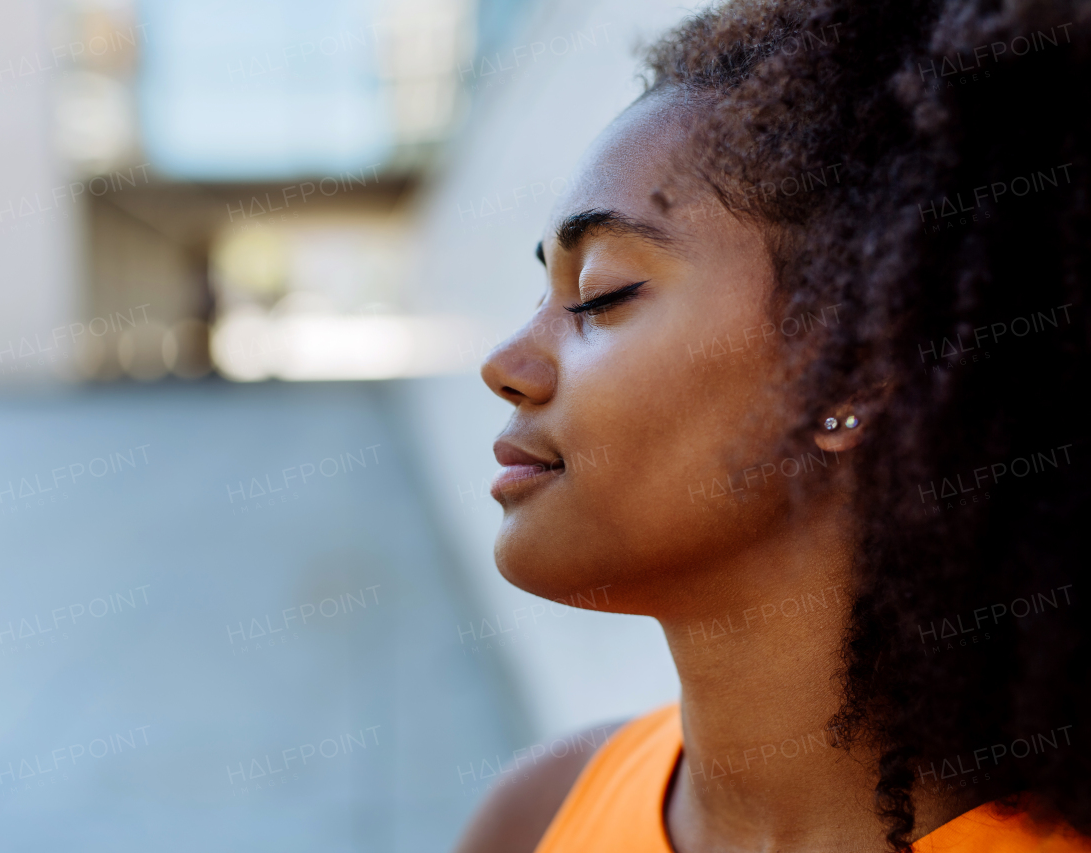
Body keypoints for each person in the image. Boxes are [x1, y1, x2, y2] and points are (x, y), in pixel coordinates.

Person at [455, 0, 1090, 851]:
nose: (506, 361)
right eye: (543, 293)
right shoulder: (536, 813)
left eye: (601, 294)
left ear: (860, 368)